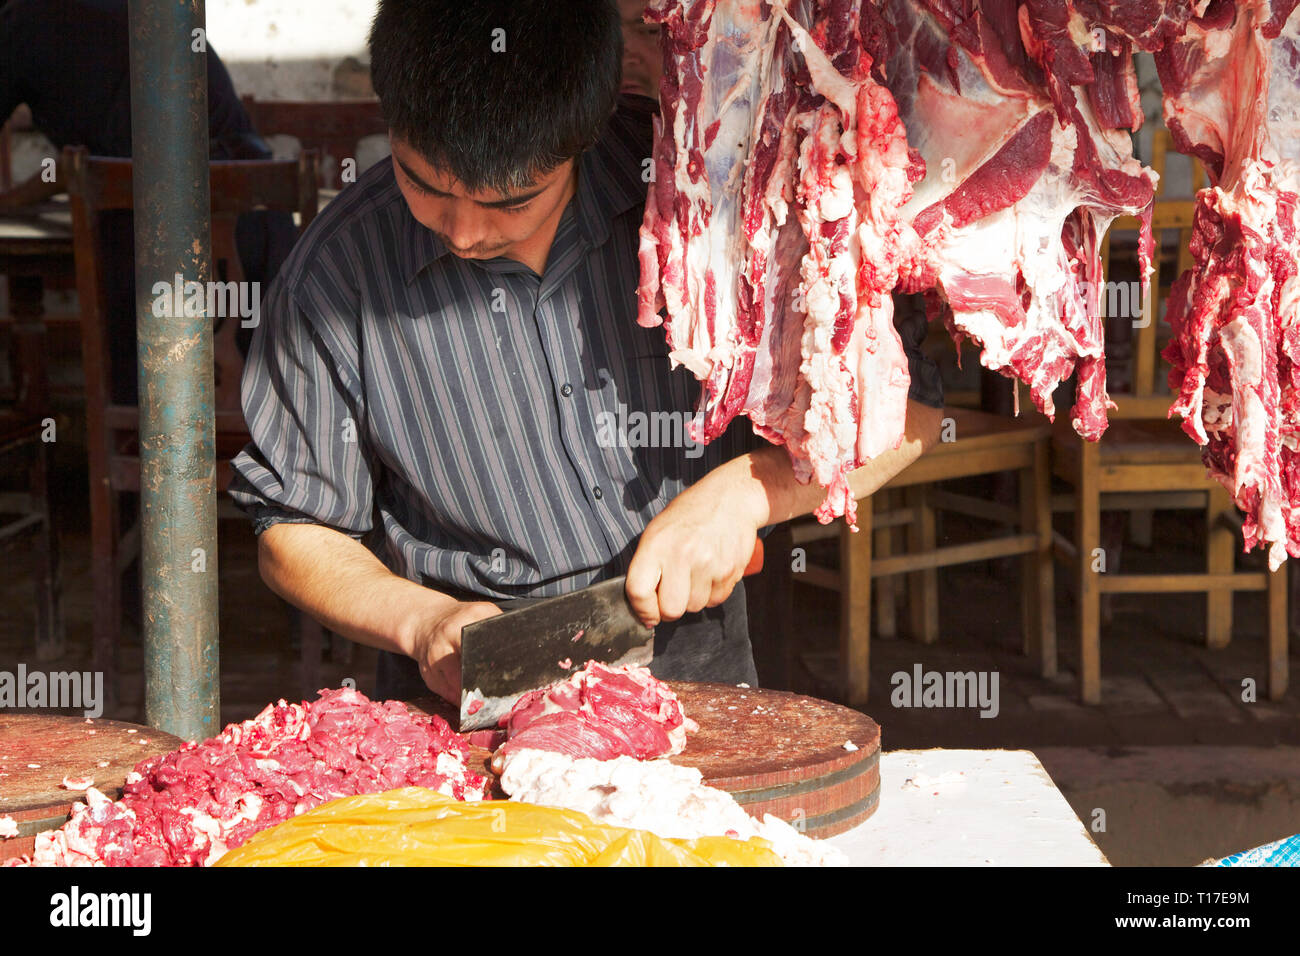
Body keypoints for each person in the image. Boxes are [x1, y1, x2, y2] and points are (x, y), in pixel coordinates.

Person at [227, 0, 944, 704]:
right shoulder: (335, 273)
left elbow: (908, 420)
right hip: (461, 680)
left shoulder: (705, 188)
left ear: (586, 132)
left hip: (694, 664)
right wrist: (423, 622)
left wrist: (745, 495)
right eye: (426, 186)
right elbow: (293, 527)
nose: (465, 232)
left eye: (513, 201)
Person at [0, 0, 295, 405]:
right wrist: (16, 198)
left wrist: (12, 200)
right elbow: (87, 162)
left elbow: (104, 164)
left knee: (151, 405)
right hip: (260, 215)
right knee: (266, 397)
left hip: (158, 241)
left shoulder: (19, 23)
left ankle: (126, 455)